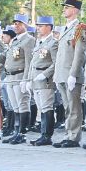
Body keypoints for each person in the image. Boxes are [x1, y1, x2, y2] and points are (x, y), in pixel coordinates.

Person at [54, 0, 86, 148]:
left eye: (67, 7)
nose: (64, 10)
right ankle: (68, 134)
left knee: (74, 107)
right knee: (67, 107)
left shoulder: (80, 28)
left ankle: (74, 137)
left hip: (71, 74)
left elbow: (79, 53)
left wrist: (73, 74)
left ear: (74, 10)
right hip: (61, 74)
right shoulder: (64, 28)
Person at [28, 15, 59, 145]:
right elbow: (32, 63)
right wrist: (29, 79)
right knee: (41, 108)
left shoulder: (53, 43)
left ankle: (47, 136)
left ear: (49, 27)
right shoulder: (39, 43)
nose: (38, 29)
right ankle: (42, 134)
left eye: (41, 26)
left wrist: (45, 74)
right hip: (36, 79)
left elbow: (56, 62)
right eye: (38, 26)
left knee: (47, 107)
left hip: (45, 80)